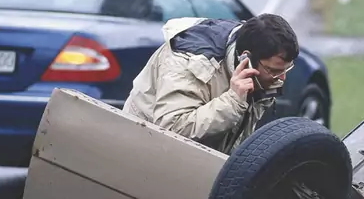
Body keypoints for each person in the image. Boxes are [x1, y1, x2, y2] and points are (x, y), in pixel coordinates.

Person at [123, 14, 299, 154]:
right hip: (142, 151)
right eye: (273, 71)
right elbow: (171, 130)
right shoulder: (189, 63)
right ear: (246, 58)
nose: (281, 79)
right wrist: (232, 102)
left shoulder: (257, 71)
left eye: (286, 70)